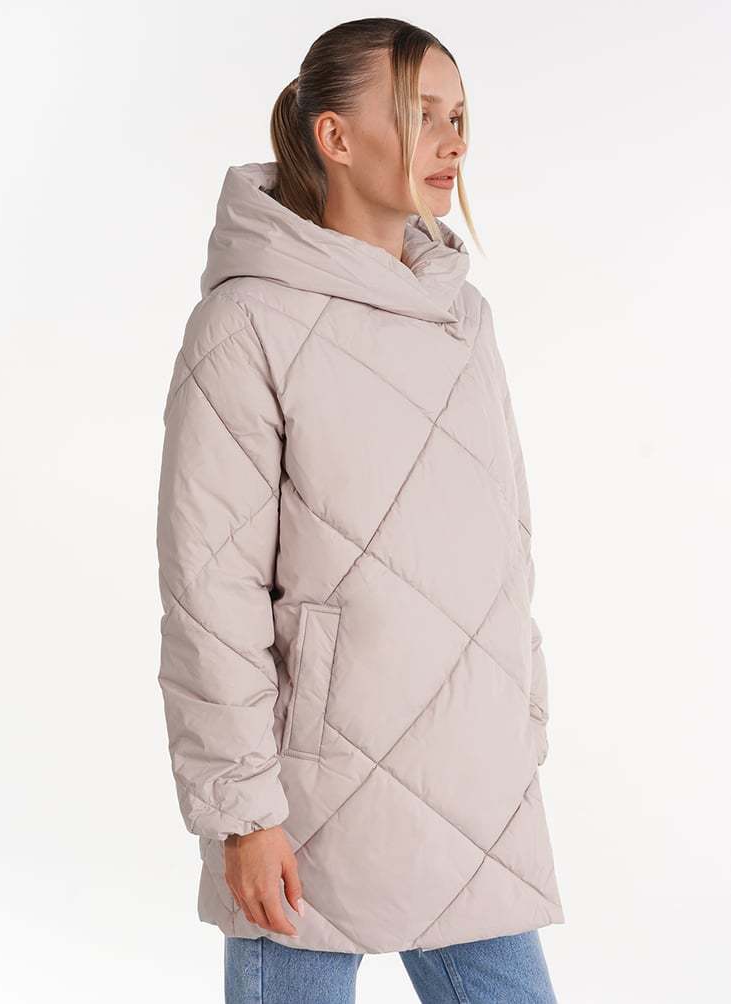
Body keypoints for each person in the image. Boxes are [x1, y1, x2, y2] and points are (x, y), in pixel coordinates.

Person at [156, 16, 564, 1004]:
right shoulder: (246, 322)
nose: (452, 143)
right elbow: (211, 591)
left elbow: (505, 543)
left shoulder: (465, 317)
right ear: (334, 136)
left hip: (473, 787)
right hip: (308, 799)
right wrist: (243, 812)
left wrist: (522, 721)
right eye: (423, 115)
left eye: (459, 118)